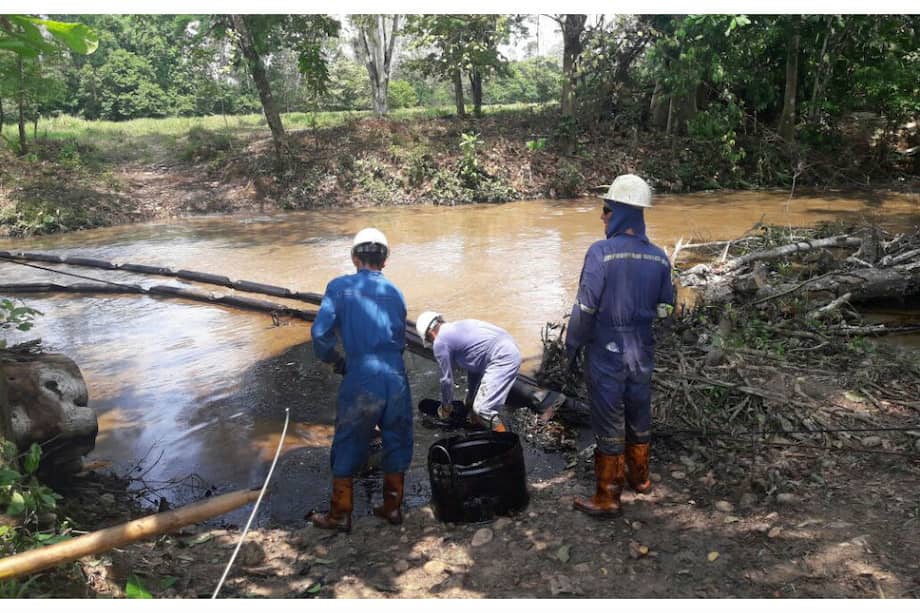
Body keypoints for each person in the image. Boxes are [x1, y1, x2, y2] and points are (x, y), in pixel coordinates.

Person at [565, 174, 674, 517]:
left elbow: (584, 309)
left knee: (608, 420)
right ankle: (640, 479)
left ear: (622, 213)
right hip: (641, 351)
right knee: (639, 413)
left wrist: (571, 348)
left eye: (606, 210)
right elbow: (666, 307)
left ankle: (608, 495)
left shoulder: (600, 252)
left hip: (607, 352)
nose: (602, 216)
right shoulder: (659, 258)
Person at [307, 227, 413, 532]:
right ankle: (392, 509)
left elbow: (320, 336)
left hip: (361, 376)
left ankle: (340, 515)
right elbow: (398, 335)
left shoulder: (340, 287)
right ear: (385, 260)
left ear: (354, 257)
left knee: (347, 442)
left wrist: (336, 361)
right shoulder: (395, 292)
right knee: (397, 438)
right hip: (396, 376)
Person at [415, 313, 521, 433]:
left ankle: (506, 440)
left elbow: (446, 381)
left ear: (430, 334)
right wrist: (471, 397)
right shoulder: (459, 327)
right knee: (476, 406)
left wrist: (446, 407)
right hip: (511, 349)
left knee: (483, 409)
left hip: (503, 358)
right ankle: (478, 422)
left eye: (429, 340)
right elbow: (475, 366)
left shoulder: (440, 342)